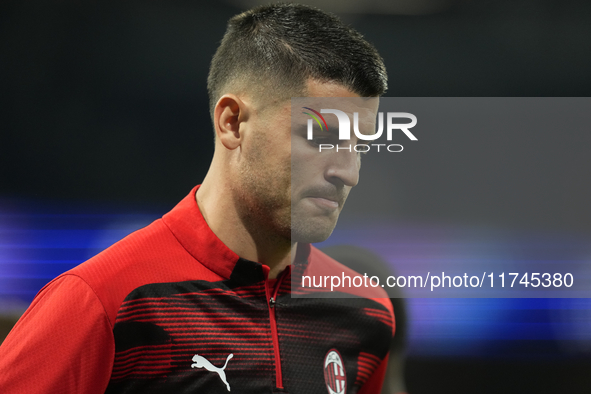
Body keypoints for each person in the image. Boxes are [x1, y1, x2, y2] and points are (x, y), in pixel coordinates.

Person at [0, 3, 395, 393]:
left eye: (358, 145)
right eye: (321, 138)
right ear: (233, 123)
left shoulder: (365, 313)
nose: (348, 172)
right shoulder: (103, 301)